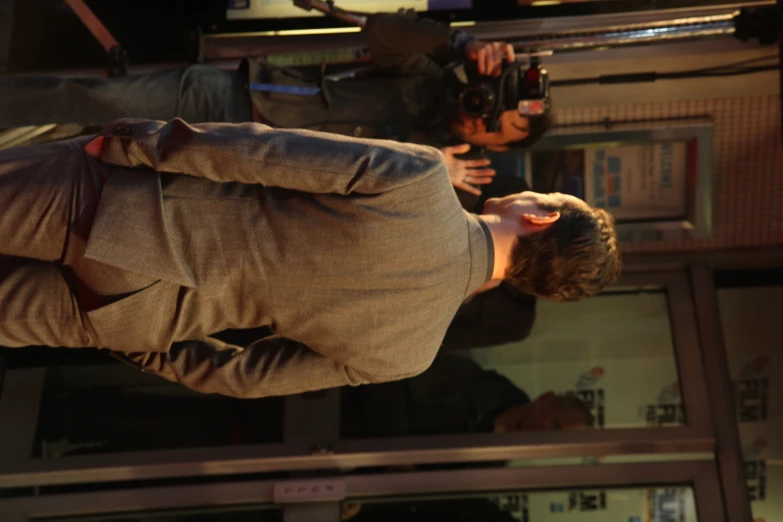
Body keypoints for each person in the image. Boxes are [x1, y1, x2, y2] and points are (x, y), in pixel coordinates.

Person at [0, 117, 620, 398]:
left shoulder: (424, 181)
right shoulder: (408, 354)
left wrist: (139, 144)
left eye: (547, 195)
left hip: (130, 209)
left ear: (540, 217)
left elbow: (262, 153)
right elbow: (239, 379)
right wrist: (138, 337)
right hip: (127, 314)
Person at [341, 353, 593, 439]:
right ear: (545, 399)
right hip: (337, 405)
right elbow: (391, 374)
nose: (547, 436)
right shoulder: (473, 382)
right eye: (555, 426)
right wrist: (394, 453)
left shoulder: (493, 463)